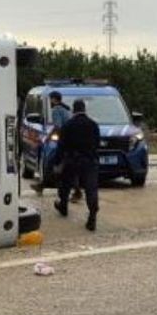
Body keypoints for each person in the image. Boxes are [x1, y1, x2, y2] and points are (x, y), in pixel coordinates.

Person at [53, 99, 101, 231]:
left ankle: (63, 206)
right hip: (90, 161)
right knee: (91, 189)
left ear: (73, 110)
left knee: (65, 184)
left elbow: (61, 146)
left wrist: (57, 162)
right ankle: (92, 216)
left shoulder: (68, 125)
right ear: (84, 109)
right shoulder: (93, 125)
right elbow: (97, 143)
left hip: (72, 160)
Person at [49, 91, 81, 202]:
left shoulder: (56, 110)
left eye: (51, 99)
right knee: (72, 168)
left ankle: (64, 193)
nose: (50, 102)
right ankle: (75, 192)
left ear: (54, 99)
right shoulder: (67, 109)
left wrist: (48, 137)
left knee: (57, 165)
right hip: (73, 142)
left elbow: (58, 127)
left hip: (64, 142)